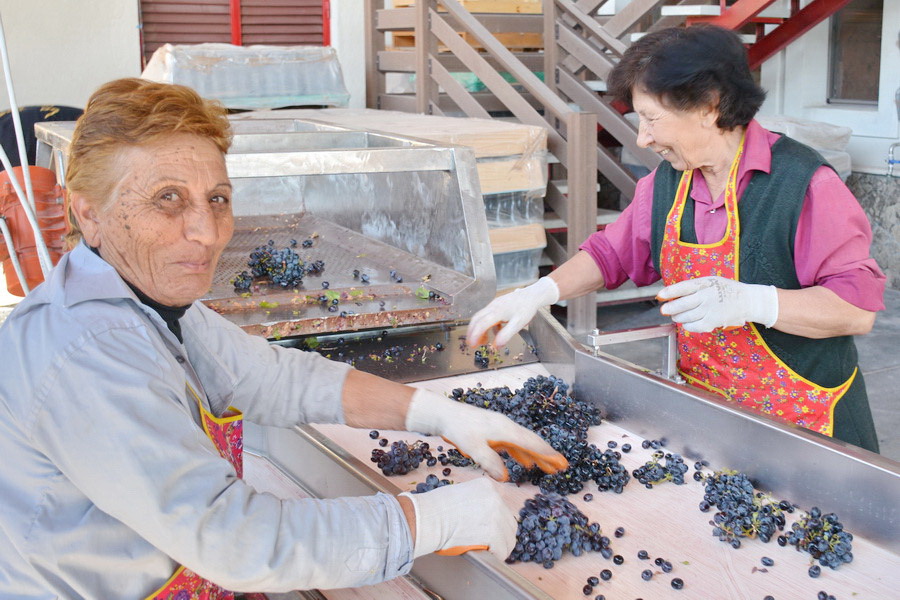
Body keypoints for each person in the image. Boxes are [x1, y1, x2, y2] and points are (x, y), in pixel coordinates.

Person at [0, 78, 567, 599]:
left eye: (218, 198)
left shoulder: (149, 300)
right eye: (167, 198)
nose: (206, 231)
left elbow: (273, 376)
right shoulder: (85, 351)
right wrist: (437, 519)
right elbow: (236, 541)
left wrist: (439, 414)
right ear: (89, 215)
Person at [467, 25, 885, 453]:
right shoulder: (668, 183)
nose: (642, 138)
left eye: (651, 119)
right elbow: (610, 254)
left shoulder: (804, 183)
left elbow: (855, 310)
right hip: (708, 418)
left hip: (806, 428)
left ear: (709, 106)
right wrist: (539, 292)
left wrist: (754, 302)